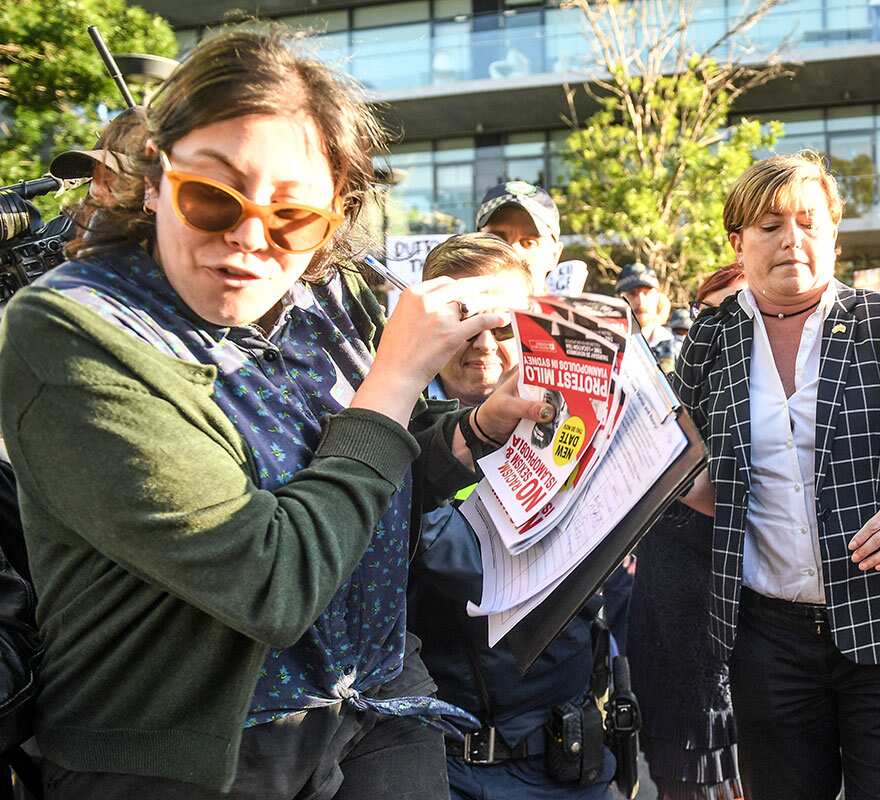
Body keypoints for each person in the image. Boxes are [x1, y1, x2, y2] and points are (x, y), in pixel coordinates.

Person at [0, 27, 551, 800]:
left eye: (293, 217)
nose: (250, 241)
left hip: (378, 704)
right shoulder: (69, 327)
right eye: (212, 198)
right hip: (188, 758)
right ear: (155, 178)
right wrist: (396, 376)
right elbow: (272, 582)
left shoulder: (315, 299)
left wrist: (475, 431)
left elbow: (370, 483)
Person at [674, 151, 880, 800]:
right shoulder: (710, 339)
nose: (792, 239)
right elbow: (677, 477)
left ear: (834, 233)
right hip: (764, 641)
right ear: (737, 243)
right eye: (769, 225)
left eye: (809, 222)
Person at [405, 233, 618, 800]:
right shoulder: (388, 422)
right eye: (464, 327)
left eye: (504, 327)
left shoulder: (587, 427)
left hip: (562, 759)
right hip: (432, 759)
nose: (483, 346)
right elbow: (456, 565)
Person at [629, 266, 747, 800]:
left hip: (761, 668)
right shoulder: (667, 401)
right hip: (672, 661)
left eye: (743, 311)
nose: (725, 329)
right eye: (712, 315)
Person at [475, 180, 563, 293]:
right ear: (475, 246)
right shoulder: (449, 305)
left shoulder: (577, 310)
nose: (512, 252)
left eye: (529, 243)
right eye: (497, 240)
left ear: (555, 255)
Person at [616, 262, 675, 371]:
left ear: (658, 298)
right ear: (618, 299)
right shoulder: (611, 343)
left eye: (647, 293)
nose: (640, 302)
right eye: (632, 294)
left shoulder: (676, 346)